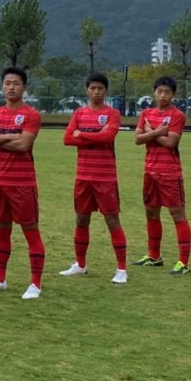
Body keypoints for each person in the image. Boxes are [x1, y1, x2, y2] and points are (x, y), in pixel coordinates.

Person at [0, 67, 45, 300]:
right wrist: (10, 136)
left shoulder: (31, 114)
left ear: (24, 87)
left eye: (16, 83)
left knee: (30, 232)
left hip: (23, 183)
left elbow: (23, 145)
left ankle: (35, 284)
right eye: (7, 83)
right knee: (1, 230)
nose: (11, 87)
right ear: (2, 86)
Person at [59, 73, 128, 283]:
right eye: (93, 88)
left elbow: (108, 137)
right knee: (81, 219)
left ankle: (122, 269)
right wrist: (96, 135)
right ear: (86, 90)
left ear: (105, 91)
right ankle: (80, 264)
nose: (96, 92)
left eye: (100, 88)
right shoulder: (79, 113)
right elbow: (67, 139)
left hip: (105, 177)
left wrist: (83, 135)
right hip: (83, 176)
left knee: (112, 220)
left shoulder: (113, 114)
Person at [133, 76, 191, 276]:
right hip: (150, 172)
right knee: (151, 213)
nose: (163, 95)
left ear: (173, 94)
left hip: (170, 173)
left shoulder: (177, 115)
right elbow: (137, 139)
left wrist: (150, 131)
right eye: (159, 91)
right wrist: (158, 132)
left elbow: (170, 143)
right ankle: (154, 256)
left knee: (177, 214)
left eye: (167, 92)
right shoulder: (146, 113)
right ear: (154, 92)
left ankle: (183, 262)